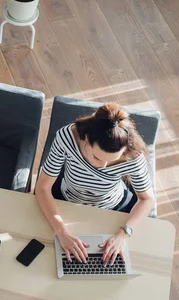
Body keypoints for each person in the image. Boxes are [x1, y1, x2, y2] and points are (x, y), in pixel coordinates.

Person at [36, 103, 154, 266]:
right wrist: (61, 232)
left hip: (112, 208)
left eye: (111, 160)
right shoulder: (66, 137)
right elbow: (42, 187)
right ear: (85, 140)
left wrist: (124, 233)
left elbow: (147, 199)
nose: (103, 166)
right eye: (98, 158)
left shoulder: (132, 156)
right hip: (65, 199)